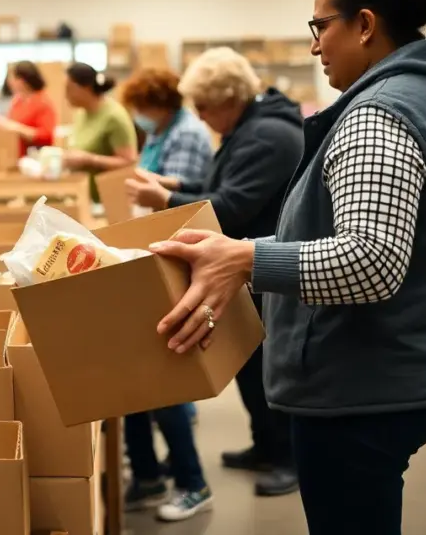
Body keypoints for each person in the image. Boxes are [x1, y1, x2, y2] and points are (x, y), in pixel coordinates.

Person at [147, 0, 426, 535]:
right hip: (403, 363)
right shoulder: (424, 95)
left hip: (361, 384)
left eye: (320, 25)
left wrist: (245, 257)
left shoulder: (378, 114)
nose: (313, 44)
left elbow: (373, 258)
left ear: (364, 25)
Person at [125, 47, 304, 500]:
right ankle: (265, 445)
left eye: (205, 106)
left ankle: (287, 458)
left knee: (267, 371)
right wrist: (177, 187)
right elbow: (223, 186)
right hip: (247, 266)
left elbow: (233, 205)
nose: (200, 117)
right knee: (249, 366)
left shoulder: (267, 136)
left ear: (229, 98)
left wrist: (165, 201)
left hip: (263, 265)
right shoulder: (250, 129)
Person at [116, 66, 215, 521]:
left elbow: (192, 203)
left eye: (142, 108)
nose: (139, 117)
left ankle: (192, 483)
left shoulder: (189, 134)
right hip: (147, 255)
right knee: (133, 376)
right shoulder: (163, 131)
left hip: (172, 260)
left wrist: (155, 189)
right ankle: (150, 474)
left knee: (161, 376)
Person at [121, 67, 214, 187]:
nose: (137, 115)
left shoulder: (187, 133)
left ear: (163, 105)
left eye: (141, 109)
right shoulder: (159, 129)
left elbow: (177, 189)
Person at [60, 63, 138, 202]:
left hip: (107, 201)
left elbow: (129, 162)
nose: (65, 94)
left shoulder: (114, 117)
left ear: (85, 88)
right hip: (85, 197)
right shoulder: (81, 113)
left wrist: (89, 159)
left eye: (69, 89)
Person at [0, 61, 57, 157]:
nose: (10, 82)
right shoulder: (17, 101)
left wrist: (17, 128)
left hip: (35, 157)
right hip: (16, 155)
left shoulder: (43, 102)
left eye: (13, 78)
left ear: (23, 80)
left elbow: (46, 136)